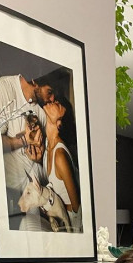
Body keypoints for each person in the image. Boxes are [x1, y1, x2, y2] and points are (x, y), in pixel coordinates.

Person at [0, 74, 56, 230]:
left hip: (37, 186)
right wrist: (23, 141)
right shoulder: (4, 88)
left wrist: (39, 158)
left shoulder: (41, 110)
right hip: (11, 186)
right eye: (49, 92)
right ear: (35, 81)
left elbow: (46, 153)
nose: (52, 98)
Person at [43, 99, 82, 232]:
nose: (53, 101)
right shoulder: (48, 146)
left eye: (58, 104)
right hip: (59, 220)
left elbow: (77, 207)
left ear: (59, 123)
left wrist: (74, 235)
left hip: (71, 222)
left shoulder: (60, 155)